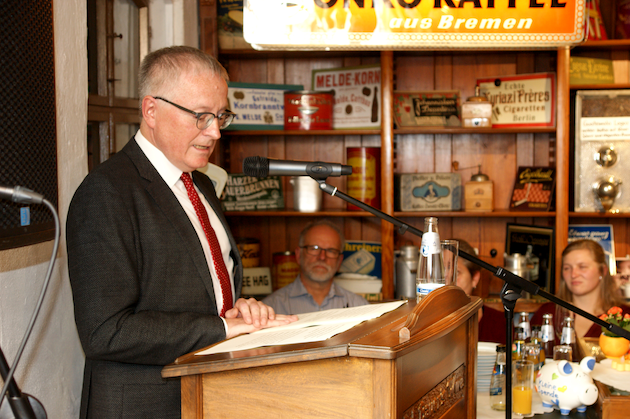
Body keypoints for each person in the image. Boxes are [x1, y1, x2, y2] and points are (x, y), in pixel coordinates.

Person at [66, 46, 296, 419]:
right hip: (145, 406)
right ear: (151, 110)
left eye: (221, 115)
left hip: (208, 395)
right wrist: (222, 327)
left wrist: (240, 310)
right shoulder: (107, 192)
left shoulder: (200, 184)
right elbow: (105, 331)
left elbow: (204, 293)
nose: (216, 131)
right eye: (201, 116)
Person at [531, 239, 630, 345]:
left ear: (603, 271)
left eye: (582, 267)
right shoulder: (547, 313)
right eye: (567, 268)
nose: (573, 274)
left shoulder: (624, 316)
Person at [263, 220, 369, 314]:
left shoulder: (360, 307)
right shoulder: (270, 308)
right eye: (314, 248)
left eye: (331, 251)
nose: (322, 257)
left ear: (339, 261)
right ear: (298, 255)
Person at [453, 239, 507, 344]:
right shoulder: (428, 323)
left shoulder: (499, 323)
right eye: (442, 272)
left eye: (456, 272)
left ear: (475, 278)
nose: (447, 279)